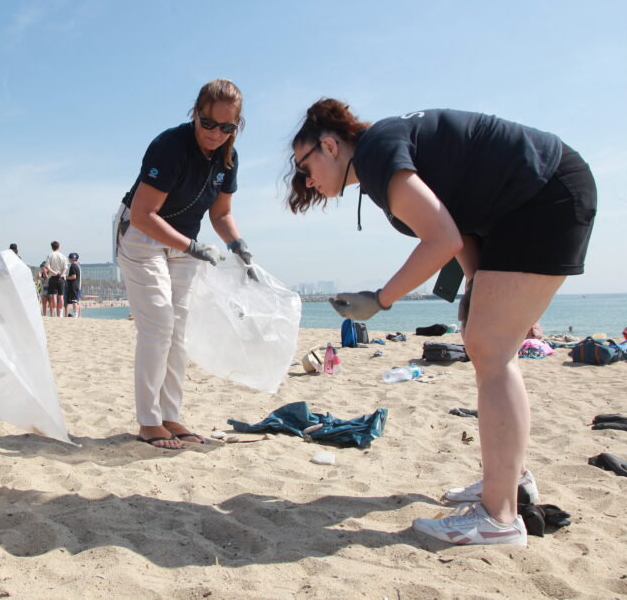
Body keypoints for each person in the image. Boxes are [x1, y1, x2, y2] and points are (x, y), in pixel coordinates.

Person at [284, 99, 596, 546]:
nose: (305, 179)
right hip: (527, 200)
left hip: (543, 193)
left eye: (304, 164)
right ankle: (512, 482)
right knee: (482, 341)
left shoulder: (375, 153)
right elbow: (461, 226)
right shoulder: (383, 152)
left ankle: (499, 517)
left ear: (329, 145)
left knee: (492, 351)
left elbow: (442, 237)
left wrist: (379, 300)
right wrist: (476, 287)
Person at [116, 78, 257, 450]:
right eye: (208, 123)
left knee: (180, 330)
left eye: (227, 128)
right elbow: (145, 214)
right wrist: (192, 247)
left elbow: (222, 212)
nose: (215, 134)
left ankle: (170, 415)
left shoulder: (229, 157)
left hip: (186, 244)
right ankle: (148, 421)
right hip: (143, 235)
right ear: (196, 114)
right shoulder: (170, 146)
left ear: (236, 127)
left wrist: (237, 244)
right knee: (159, 323)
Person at [44, 241, 68, 317]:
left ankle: (54, 313)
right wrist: (61, 274)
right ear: (59, 247)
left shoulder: (50, 255)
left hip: (52, 277)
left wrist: (54, 273)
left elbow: (47, 267)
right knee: (61, 296)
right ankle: (60, 313)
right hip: (61, 277)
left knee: (54, 295)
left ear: (52, 247)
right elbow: (65, 268)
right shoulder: (62, 256)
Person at [65, 252, 82, 317]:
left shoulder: (73, 266)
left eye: (69, 258)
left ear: (72, 259)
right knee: (77, 301)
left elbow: (73, 276)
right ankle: (78, 315)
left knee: (74, 301)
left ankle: (75, 314)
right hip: (77, 285)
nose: (68, 259)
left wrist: (66, 277)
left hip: (74, 285)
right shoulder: (78, 266)